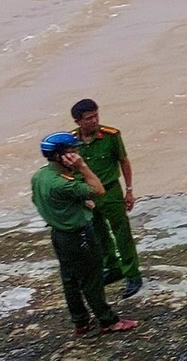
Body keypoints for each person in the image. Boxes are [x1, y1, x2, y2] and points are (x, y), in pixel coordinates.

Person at [32, 133, 139, 338]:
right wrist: (83, 167)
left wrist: (75, 206)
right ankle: (108, 321)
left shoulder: (41, 176)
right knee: (92, 280)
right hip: (78, 235)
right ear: (60, 156)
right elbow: (98, 190)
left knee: (70, 279)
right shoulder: (63, 183)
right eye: (73, 151)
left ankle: (80, 321)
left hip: (59, 234)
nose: (78, 153)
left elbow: (37, 200)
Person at [70, 98, 141, 298]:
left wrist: (129, 190)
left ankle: (132, 273)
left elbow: (124, 161)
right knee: (98, 233)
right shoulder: (71, 142)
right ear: (78, 121)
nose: (94, 121)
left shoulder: (111, 136)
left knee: (122, 233)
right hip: (87, 194)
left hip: (111, 191)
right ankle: (113, 267)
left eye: (96, 116)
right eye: (88, 118)